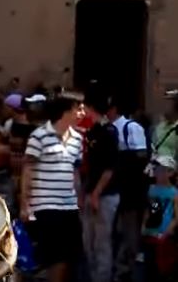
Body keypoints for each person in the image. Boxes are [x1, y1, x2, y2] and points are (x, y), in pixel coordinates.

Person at [20, 92, 85, 282]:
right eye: (78, 109)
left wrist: (79, 197)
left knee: (71, 256)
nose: (82, 113)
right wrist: (25, 203)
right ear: (66, 111)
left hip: (69, 206)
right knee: (57, 256)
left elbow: (75, 171)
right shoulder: (38, 136)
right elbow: (28, 170)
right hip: (46, 205)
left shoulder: (77, 139)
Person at [106, 96, 150, 282]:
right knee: (114, 232)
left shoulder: (131, 128)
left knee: (129, 231)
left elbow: (140, 157)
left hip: (130, 190)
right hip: (112, 188)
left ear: (114, 109)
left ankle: (127, 270)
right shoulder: (106, 129)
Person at [80, 92, 119, 282]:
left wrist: (96, 193)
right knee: (88, 241)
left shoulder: (109, 132)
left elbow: (109, 168)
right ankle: (92, 275)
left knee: (102, 242)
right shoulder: (91, 131)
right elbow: (89, 166)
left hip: (105, 194)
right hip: (89, 192)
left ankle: (102, 278)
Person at [141, 155, 177, 282]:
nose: (157, 172)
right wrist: (144, 225)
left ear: (170, 172)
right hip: (150, 232)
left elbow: (176, 217)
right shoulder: (151, 189)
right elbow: (148, 209)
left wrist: (166, 232)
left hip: (164, 235)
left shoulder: (174, 193)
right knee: (149, 267)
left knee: (164, 267)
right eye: (156, 169)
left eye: (161, 169)